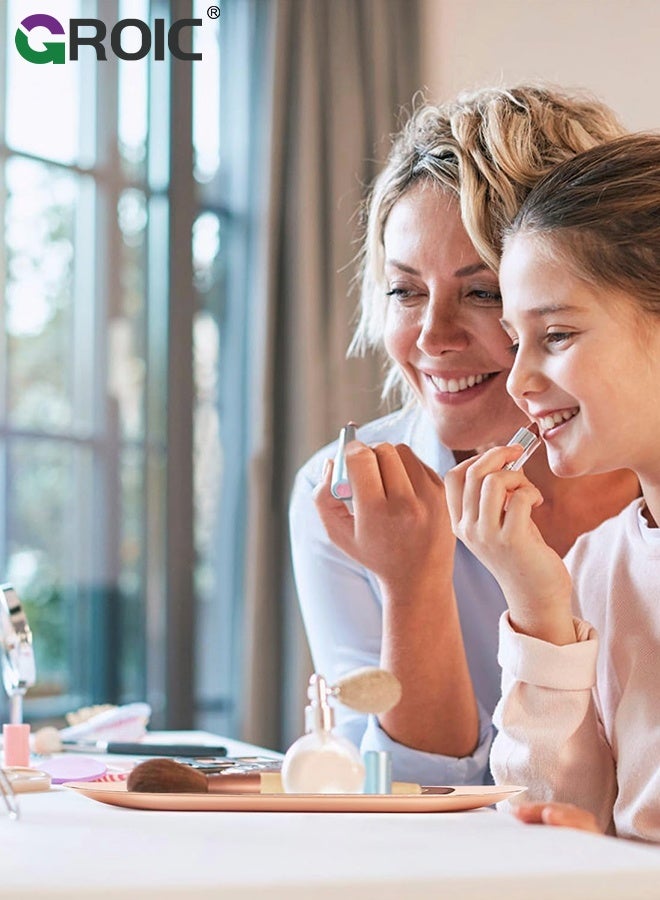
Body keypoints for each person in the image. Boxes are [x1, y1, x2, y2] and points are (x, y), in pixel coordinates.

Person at [289, 85, 640, 786]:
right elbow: (412, 792)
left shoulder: (640, 505)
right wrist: (413, 581)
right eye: (405, 291)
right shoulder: (342, 497)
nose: (432, 338)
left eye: (483, 293)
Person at [444, 133, 660, 841]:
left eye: (557, 336)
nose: (517, 380)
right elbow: (556, 816)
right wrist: (538, 604)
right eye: (515, 340)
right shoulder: (600, 565)